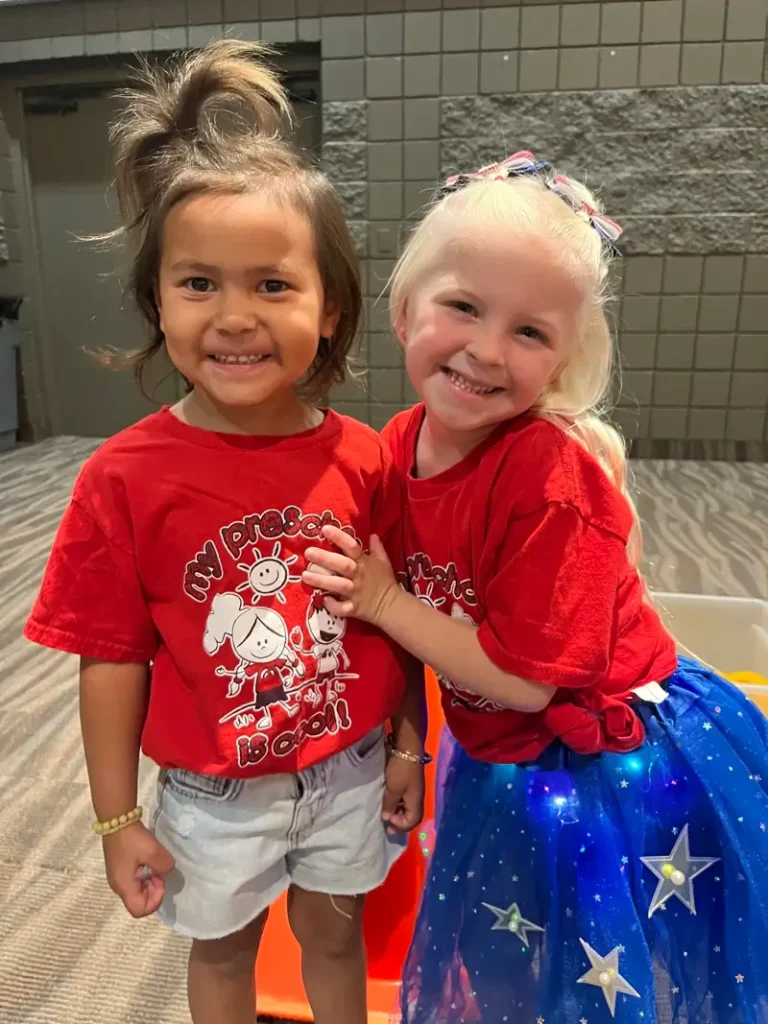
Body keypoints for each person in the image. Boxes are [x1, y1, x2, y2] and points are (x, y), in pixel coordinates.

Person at [302, 151, 768, 1023]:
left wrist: (383, 602)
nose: (485, 350)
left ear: (561, 359)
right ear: (405, 312)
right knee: (512, 950)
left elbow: (525, 677)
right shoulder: (395, 445)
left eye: (530, 331)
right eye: (464, 307)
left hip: (617, 764)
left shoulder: (547, 477)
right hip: (501, 756)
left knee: (617, 957)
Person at [23, 41, 426, 1024]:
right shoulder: (121, 478)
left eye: (273, 285)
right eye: (199, 283)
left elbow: (402, 613)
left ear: (331, 309)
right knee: (224, 952)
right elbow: (110, 658)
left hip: (349, 768)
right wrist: (117, 818)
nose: (235, 316)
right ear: (156, 301)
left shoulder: (368, 458)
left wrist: (409, 747)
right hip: (211, 791)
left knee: (333, 933)